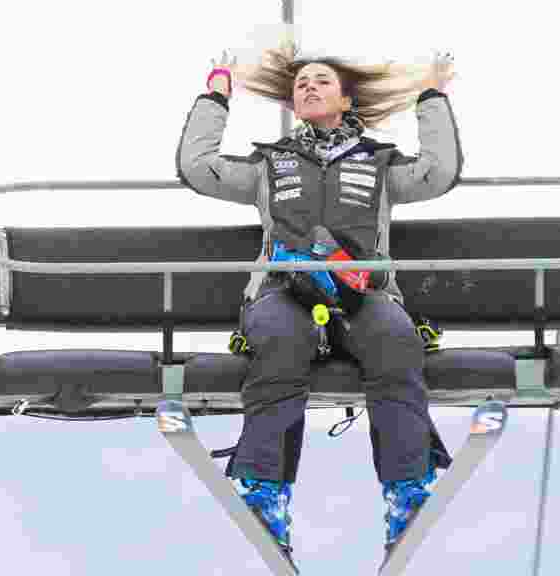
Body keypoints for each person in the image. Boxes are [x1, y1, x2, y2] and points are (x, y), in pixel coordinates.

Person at [175, 38, 462, 559]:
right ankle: (265, 491)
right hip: (285, 290)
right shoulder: (270, 164)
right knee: (282, 345)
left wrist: (432, 98)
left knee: (396, 344)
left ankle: (406, 489)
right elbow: (200, 168)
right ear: (292, 104)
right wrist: (217, 94)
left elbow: (435, 174)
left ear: (346, 100)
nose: (309, 85)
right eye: (301, 82)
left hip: (362, 292)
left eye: (321, 80)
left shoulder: (379, 164)